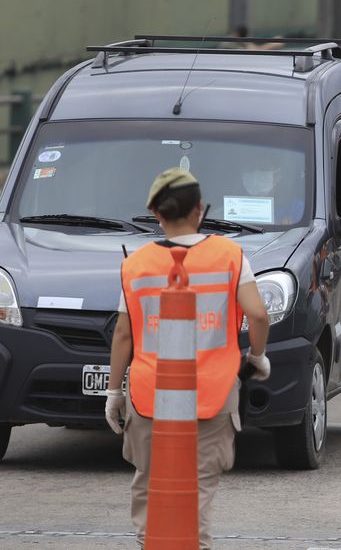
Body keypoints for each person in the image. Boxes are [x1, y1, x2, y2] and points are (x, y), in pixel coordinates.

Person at [105, 168, 271, 549]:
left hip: (150, 397)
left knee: (150, 485)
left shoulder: (136, 265)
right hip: (211, 395)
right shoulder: (230, 255)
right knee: (196, 491)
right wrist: (257, 357)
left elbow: (124, 334)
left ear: (156, 213)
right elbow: (259, 315)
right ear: (200, 209)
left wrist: (114, 392)